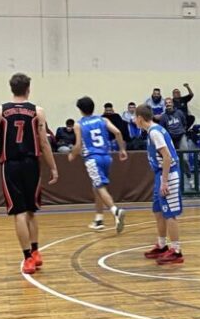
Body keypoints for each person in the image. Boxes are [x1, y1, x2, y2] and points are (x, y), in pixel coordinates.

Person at [0, 72, 58, 275]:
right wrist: (53, 167)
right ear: (28, 89)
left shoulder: (1, 110)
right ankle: (36, 251)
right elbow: (44, 142)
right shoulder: (37, 111)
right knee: (32, 211)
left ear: (11, 88)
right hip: (32, 164)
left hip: (11, 164)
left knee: (19, 212)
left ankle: (28, 258)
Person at [135, 103, 184, 265]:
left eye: (135, 118)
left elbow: (167, 157)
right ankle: (162, 245)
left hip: (168, 174)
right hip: (160, 174)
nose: (134, 121)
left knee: (170, 214)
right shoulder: (152, 131)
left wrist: (164, 181)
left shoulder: (155, 132)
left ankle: (176, 251)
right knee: (158, 210)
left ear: (140, 118)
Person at [70, 96, 127, 232]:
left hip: (92, 158)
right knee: (97, 187)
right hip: (106, 157)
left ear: (80, 110)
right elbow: (118, 132)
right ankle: (99, 219)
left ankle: (115, 211)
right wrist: (122, 149)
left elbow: (78, 145)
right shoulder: (103, 120)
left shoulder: (79, 124)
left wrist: (72, 154)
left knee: (99, 187)